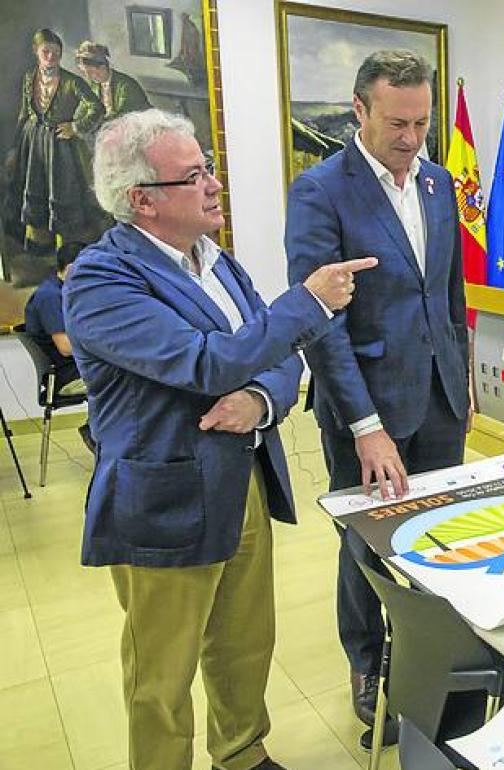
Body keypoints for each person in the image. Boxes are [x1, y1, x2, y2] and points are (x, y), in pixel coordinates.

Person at [63, 108, 374, 770]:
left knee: (244, 641)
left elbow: (277, 352)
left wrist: (261, 399)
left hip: (242, 480)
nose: (214, 183)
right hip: (166, 502)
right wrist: (309, 301)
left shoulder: (216, 260)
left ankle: (241, 753)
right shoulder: (100, 280)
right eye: (194, 175)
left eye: (208, 166)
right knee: (162, 673)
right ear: (142, 200)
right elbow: (207, 362)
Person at [285, 50, 471, 728]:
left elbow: (448, 293)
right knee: (367, 544)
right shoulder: (321, 191)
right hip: (366, 407)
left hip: (440, 397)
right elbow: (319, 321)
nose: (412, 138)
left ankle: (433, 655)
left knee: (437, 536)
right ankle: (367, 662)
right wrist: (365, 425)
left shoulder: (438, 184)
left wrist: (463, 377)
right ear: (359, 110)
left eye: (422, 123)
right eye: (397, 123)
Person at [11, 28, 105, 253]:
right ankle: (39, 244)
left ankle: (66, 249)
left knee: (61, 190)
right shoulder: (29, 78)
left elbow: (97, 107)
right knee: (35, 186)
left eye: (56, 52)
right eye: (46, 51)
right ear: (36, 51)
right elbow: (24, 112)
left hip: (60, 145)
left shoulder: (72, 82)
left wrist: (76, 127)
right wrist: (15, 147)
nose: (51, 56)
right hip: (33, 141)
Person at [24, 240, 88, 396]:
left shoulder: (64, 290)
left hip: (82, 368)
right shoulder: (50, 297)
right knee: (134, 378)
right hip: (70, 375)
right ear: (71, 269)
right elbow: (66, 348)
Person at [75, 40, 153, 118]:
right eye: (85, 72)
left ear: (102, 67)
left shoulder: (126, 85)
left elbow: (123, 115)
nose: (88, 76)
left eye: (90, 72)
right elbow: (82, 109)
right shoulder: (92, 86)